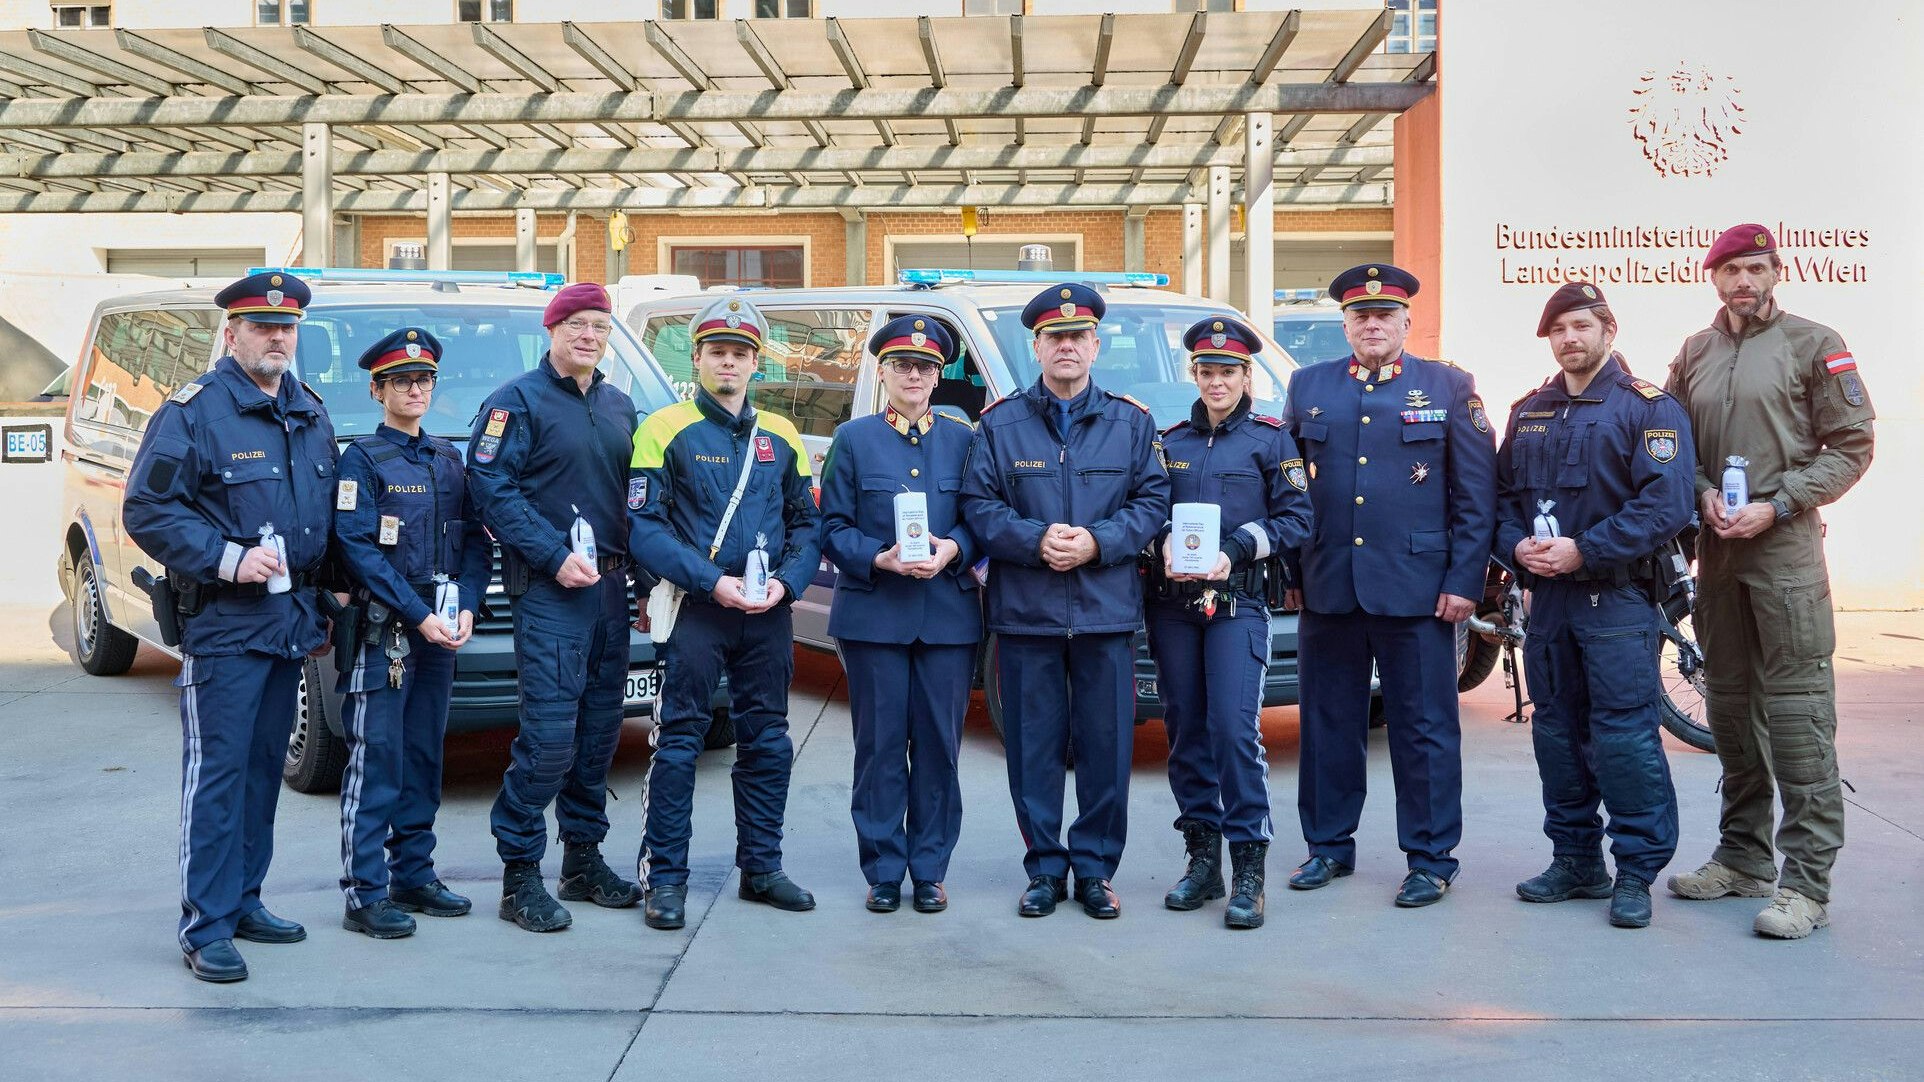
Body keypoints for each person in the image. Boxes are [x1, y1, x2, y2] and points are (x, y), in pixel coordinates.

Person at [1663, 224, 1875, 939]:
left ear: (1776, 271)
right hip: (1717, 557)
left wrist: (1779, 503)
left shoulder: (1816, 343)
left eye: (1755, 267)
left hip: (1784, 554)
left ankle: (1806, 884)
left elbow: (1852, 444)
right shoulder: (1695, 351)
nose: (1742, 281)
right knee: (1728, 709)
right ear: (1713, 278)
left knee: (1797, 717)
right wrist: (1698, 493)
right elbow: (1671, 442)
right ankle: (1742, 858)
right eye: (1730, 271)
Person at [123, 271, 337, 982]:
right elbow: (148, 510)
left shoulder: (308, 410)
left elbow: (324, 517)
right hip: (223, 624)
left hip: (289, 622)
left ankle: (245, 899)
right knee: (216, 776)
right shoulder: (193, 413)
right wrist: (225, 557)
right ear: (232, 333)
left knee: (259, 773)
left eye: (286, 328)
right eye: (261, 326)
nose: (277, 336)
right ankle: (205, 923)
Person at [1282, 263, 1496, 908]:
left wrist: (1466, 581)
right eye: (1359, 316)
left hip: (1420, 590)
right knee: (1326, 723)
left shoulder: (1449, 386)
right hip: (1329, 586)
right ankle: (1327, 847)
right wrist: (1293, 575)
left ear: (1407, 321)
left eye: (1384, 316)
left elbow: (1476, 496)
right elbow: (1291, 489)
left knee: (1425, 728)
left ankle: (1430, 858)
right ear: (1344, 322)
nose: (1372, 325)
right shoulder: (1308, 385)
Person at [959, 283, 1170, 920]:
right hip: (1027, 615)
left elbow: (1153, 503)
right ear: (1038, 348)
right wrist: (1036, 540)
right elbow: (978, 505)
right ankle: (1045, 868)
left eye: (1079, 337)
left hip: (1106, 612)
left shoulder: (1132, 423)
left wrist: (1098, 543)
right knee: (1033, 749)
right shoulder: (999, 425)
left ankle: (1097, 870)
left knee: (1108, 748)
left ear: (1096, 346)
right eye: (1056, 338)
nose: (1067, 347)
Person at [1495, 283, 1695, 928]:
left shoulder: (1649, 408)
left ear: (1608, 329)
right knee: (1556, 733)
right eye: (1558, 331)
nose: (1569, 340)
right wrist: (1516, 548)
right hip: (1549, 603)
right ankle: (1576, 860)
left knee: (1623, 735)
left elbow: (1666, 504)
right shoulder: (1528, 411)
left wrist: (1585, 550)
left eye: (1580, 326)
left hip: (1617, 600)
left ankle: (1635, 870)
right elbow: (1497, 501)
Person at [629, 295, 823, 931]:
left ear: (755, 363)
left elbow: (806, 522)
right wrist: (714, 583)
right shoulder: (663, 429)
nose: (729, 363)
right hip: (698, 608)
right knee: (680, 740)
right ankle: (666, 880)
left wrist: (788, 586)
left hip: (766, 611)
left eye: (740, 354)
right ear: (699, 359)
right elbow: (644, 529)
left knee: (767, 738)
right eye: (718, 352)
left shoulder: (783, 434)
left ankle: (761, 867)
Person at [467, 282, 642, 933]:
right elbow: (488, 482)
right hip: (549, 595)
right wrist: (548, 553)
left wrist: (648, 583)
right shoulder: (516, 403)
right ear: (553, 330)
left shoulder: (620, 406)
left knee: (599, 735)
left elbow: (637, 502)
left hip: (610, 593)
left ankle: (583, 861)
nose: (589, 335)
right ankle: (519, 876)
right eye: (577, 324)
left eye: (599, 325)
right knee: (549, 740)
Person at [1147, 316, 1312, 930]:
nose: (1217, 382)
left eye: (1229, 372)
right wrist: (1161, 540)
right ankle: (1201, 861)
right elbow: (1147, 509)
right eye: (1207, 371)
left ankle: (1249, 868)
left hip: (1239, 603)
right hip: (1174, 606)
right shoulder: (1170, 443)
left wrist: (1240, 546)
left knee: (1233, 730)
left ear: (1248, 377)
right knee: (1187, 730)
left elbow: (1299, 520)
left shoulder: (1271, 441)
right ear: (1194, 374)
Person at [818, 316, 982, 915]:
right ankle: (885, 867)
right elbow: (830, 526)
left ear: (938, 377)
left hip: (946, 617)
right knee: (881, 746)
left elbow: (980, 517)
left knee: (939, 746)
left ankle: (930, 868)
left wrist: (955, 548)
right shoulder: (854, 439)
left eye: (926, 367)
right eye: (902, 365)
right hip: (875, 618)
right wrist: (877, 557)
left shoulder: (965, 440)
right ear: (882, 372)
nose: (914, 376)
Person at [331, 328, 491, 938]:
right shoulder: (361, 460)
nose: (415, 390)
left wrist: (468, 605)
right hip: (387, 633)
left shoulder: (447, 459)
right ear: (377, 390)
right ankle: (365, 891)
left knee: (425, 756)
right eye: (401, 381)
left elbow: (476, 539)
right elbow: (355, 546)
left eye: (423, 381)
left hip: (439, 630)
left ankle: (414, 875)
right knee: (379, 760)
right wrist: (417, 613)